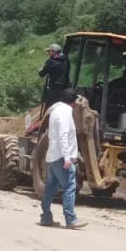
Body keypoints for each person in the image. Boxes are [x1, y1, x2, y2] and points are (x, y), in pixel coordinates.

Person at [40, 88, 86, 230]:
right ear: (73, 103)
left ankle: (46, 217)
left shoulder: (55, 111)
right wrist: (67, 158)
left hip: (53, 155)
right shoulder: (66, 114)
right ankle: (71, 219)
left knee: (50, 187)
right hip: (61, 157)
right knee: (69, 187)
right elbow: (64, 136)